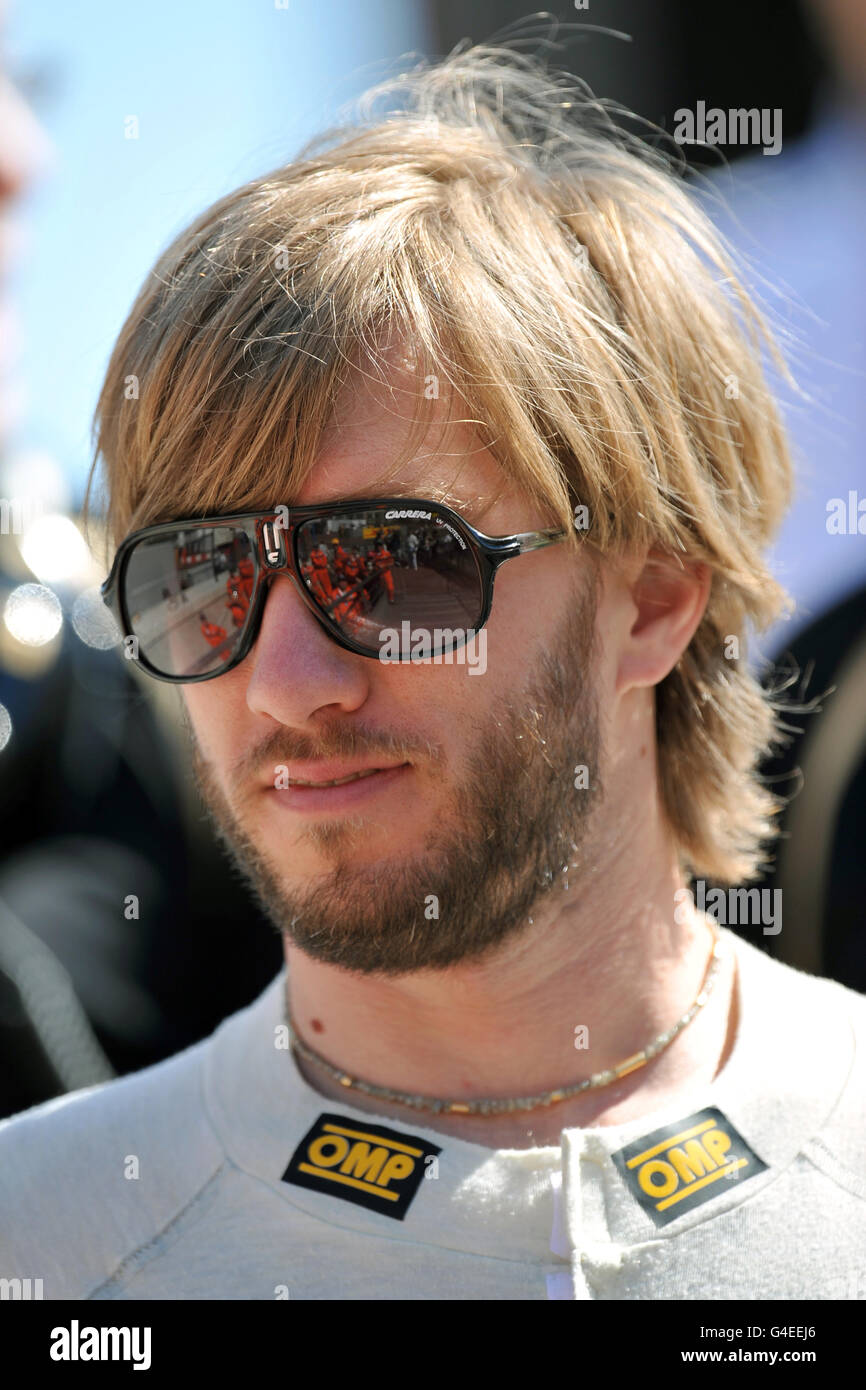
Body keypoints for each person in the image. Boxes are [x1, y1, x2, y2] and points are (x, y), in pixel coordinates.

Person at [1, 43, 864, 1303]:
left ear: (656, 594)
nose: (289, 684)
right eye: (200, 579)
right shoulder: (43, 1249)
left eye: (394, 566)